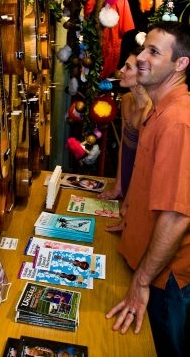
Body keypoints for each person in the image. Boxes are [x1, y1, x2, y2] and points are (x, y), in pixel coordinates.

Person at [105, 21, 190, 357]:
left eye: (154, 52)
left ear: (180, 64)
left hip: (162, 282)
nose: (141, 58)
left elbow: (176, 215)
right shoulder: (159, 111)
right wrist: (132, 219)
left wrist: (141, 283)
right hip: (146, 267)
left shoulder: (178, 120)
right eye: (144, 49)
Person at [99, 45, 151, 200]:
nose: (121, 70)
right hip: (127, 180)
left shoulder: (149, 111)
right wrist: (118, 187)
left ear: (142, 74)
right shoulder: (126, 100)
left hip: (142, 189)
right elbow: (124, 145)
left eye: (127, 67)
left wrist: (129, 202)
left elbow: (144, 165)